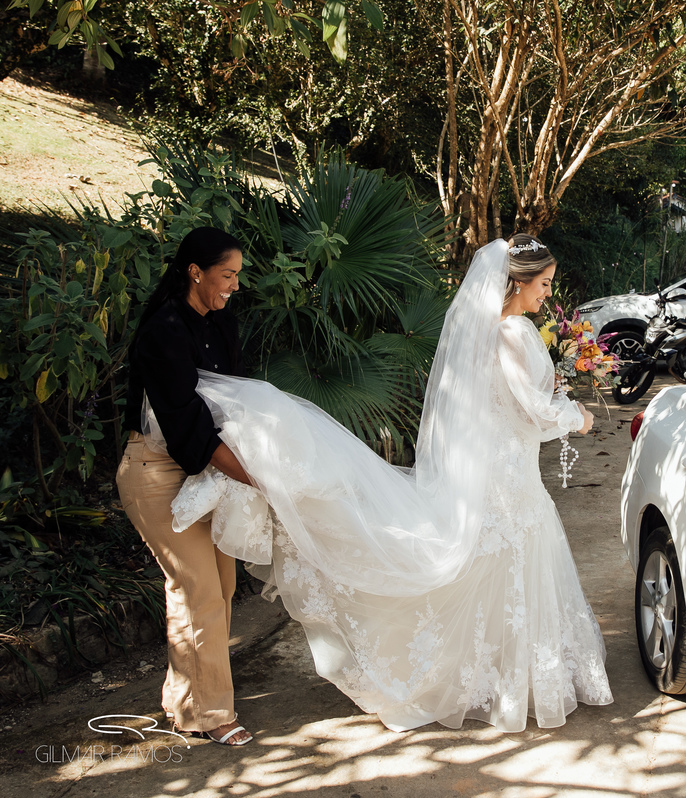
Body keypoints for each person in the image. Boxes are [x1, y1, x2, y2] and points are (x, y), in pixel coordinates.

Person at [153, 234, 613, 733]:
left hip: (496, 464)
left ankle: (495, 674)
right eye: (543, 284)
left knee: (495, 563)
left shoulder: (488, 331)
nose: (548, 294)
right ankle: (510, 677)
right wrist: (578, 418)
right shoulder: (516, 332)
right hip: (508, 471)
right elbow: (535, 409)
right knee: (510, 559)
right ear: (516, 282)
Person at [115, 226, 254, 746]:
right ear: (196, 271)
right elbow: (187, 425)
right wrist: (253, 477)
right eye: (227, 275)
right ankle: (209, 714)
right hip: (154, 470)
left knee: (222, 584)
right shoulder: (163, 332)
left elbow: (235, 402)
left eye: (237, 276)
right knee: (198, 590)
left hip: (207, 467)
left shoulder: (223, 323)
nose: (234, 286)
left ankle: (183, 699)